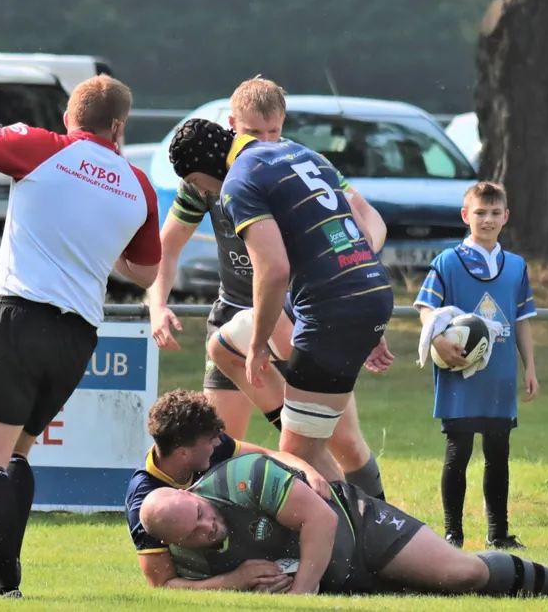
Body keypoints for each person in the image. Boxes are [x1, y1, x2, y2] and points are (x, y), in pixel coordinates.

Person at [0, 75, 162, 598]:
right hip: (77, 335)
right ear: (119, 127)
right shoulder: (137, 185)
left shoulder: (39, 148)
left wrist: (3, 132)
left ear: (68, 118)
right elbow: (145, 273)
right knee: (18, 453)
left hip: (20, 315)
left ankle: (6, 580)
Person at [149, 78, 389, 500]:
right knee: (217, 436)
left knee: (325, 448)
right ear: (231, 126)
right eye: (254, 132)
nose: (266, 140)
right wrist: (158, 306)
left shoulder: (271, 168)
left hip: (297, 312)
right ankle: (227, 533)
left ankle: (369, 532)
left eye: (273, 131)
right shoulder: (208, 182)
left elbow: (282, 265)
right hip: (247, 309)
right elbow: (166, 249)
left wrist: (350, 283)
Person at [139, 452, 548, 597]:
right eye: (191, 535)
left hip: (359, 528)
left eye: (200, 516)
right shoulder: (181, 551)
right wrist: (235, 578)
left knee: (464, 574)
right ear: (171, 542)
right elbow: (171, 588)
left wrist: (301, 595)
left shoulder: (242, 477)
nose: (205, 530)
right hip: (337, 577)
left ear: (191, 493)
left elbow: (320, 519)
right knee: (420, 590)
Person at [413, 181, 538, 550]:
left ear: (506, 218)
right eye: (480, 213)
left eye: (495, 213)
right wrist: (436, 338)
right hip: (460, 374)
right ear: (466, 216)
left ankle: (498, 534)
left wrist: (529, 367)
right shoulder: (447, 262)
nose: (487, 219)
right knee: (459, 453)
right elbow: (425, 308)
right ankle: (453, 534)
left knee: (498, 456)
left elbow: (522, 320)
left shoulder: (515, 266)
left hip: (499, 377)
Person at [125, 389, 333, 591]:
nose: (217, 442)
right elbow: (163, 583)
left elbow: (268, 454)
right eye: (210, 440)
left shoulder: (208, 447)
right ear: (183, 454)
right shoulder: (144, 506)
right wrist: (234, 580)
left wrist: (309, 471)